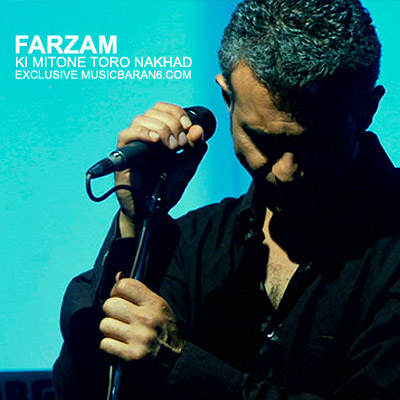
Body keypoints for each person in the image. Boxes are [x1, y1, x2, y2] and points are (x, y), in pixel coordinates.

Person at [53, 0, 400, 399]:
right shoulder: (193, 244)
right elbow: (83, 388)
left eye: (315, 142)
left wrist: (181, 366)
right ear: (226, 98)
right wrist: (138, 221)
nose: (286, 171)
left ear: (369, 109)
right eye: (263, 140)